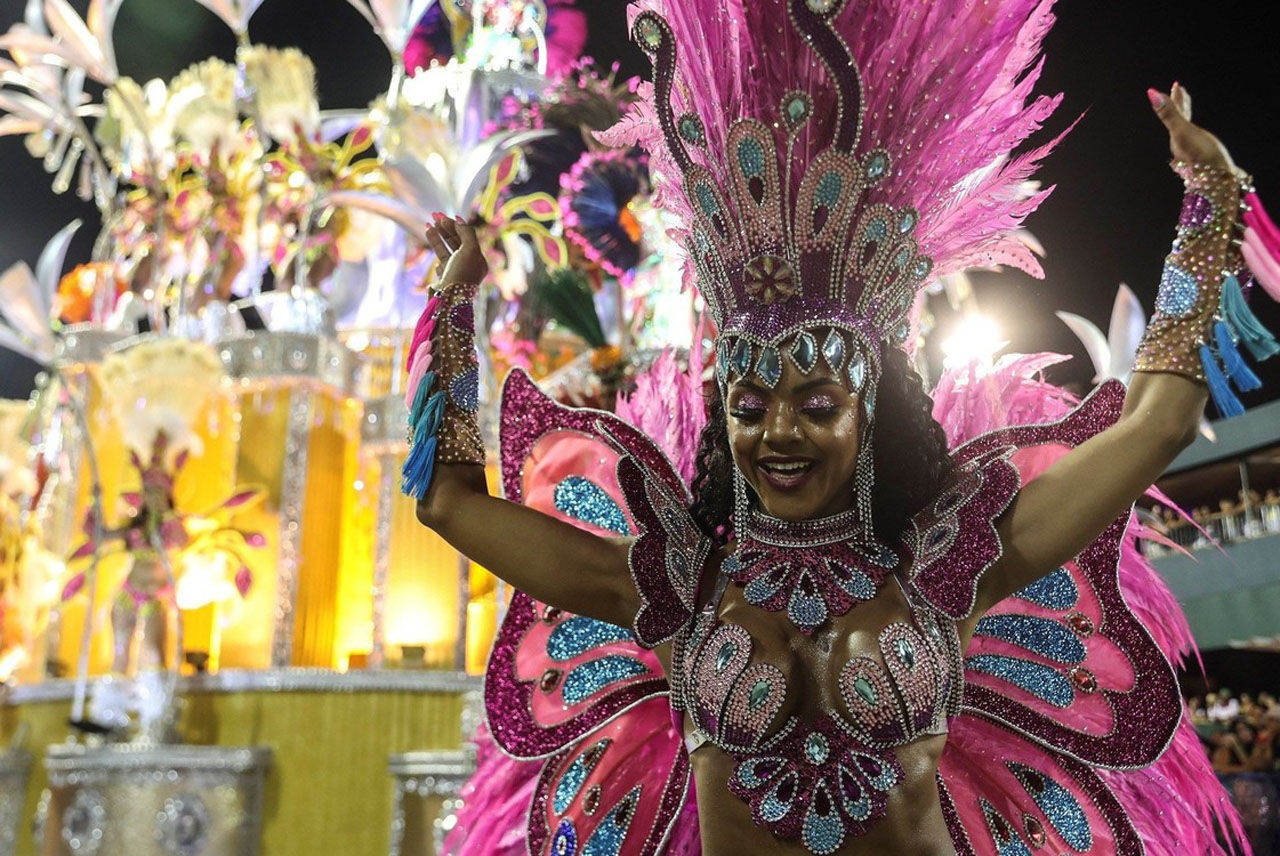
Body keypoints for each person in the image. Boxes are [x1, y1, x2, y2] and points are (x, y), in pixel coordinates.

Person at [405, 1, 1272, 853]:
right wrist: (451, 307)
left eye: (817, 406)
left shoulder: (948, 570)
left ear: (871, 416)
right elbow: (447, 504)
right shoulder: (673, 588)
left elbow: (1158, 425)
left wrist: (1211, 204)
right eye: (749, 408)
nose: (777, 432)